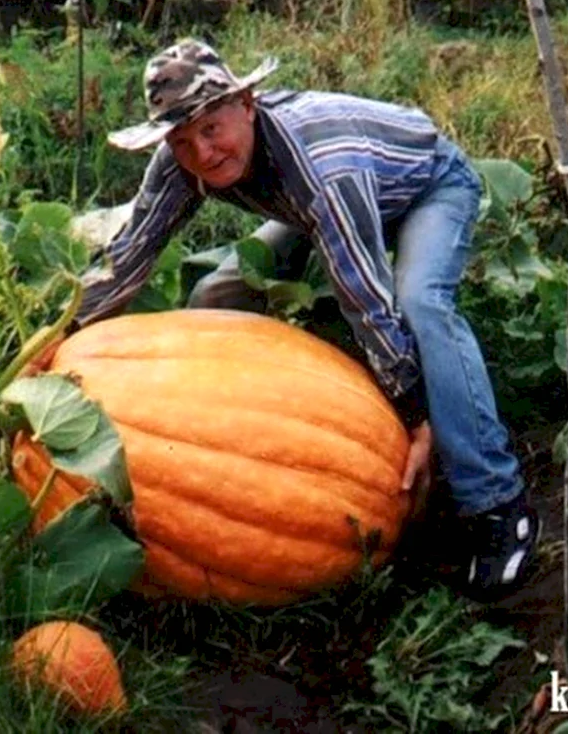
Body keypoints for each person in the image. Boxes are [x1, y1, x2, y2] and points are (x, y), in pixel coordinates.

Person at [64, 38, 540, 599]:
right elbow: (130, 256)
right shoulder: (182, 161)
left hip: (427, 187)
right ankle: (244, 447)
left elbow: (365, 296)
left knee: (420, 303)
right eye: (183, 139)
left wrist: (416, 413)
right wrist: (65, 335)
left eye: (211, 128)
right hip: (311, 210)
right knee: (217, 295)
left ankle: (497, 504)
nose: (202, 153)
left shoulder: (321, 165)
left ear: (247, 104)